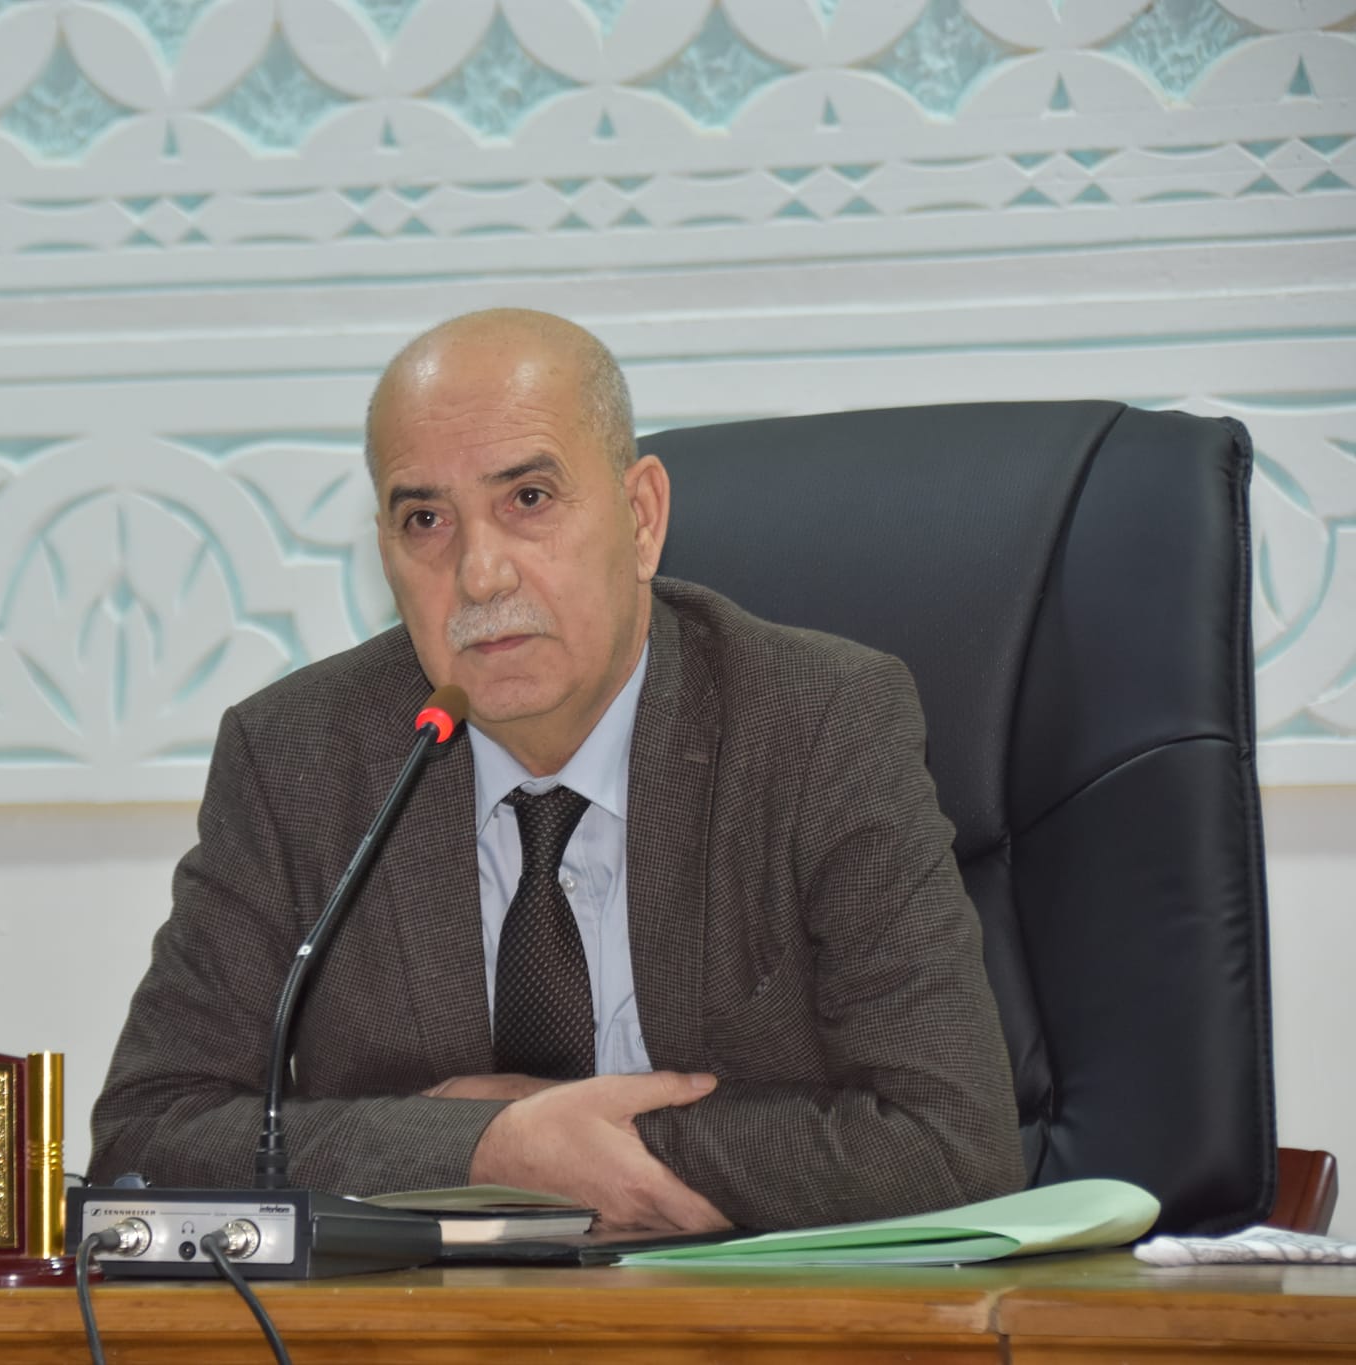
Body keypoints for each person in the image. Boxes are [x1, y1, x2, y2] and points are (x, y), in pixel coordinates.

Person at [89, 309, 1023, 1231]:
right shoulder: (297, 756)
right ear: (386, 552)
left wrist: (561, 1150)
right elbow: (144, 1137)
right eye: (426, 520)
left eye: (528, 499)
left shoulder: (817, 721)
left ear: (641, 517)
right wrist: (481, 1149)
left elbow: (953, 1145)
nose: (481, 574)